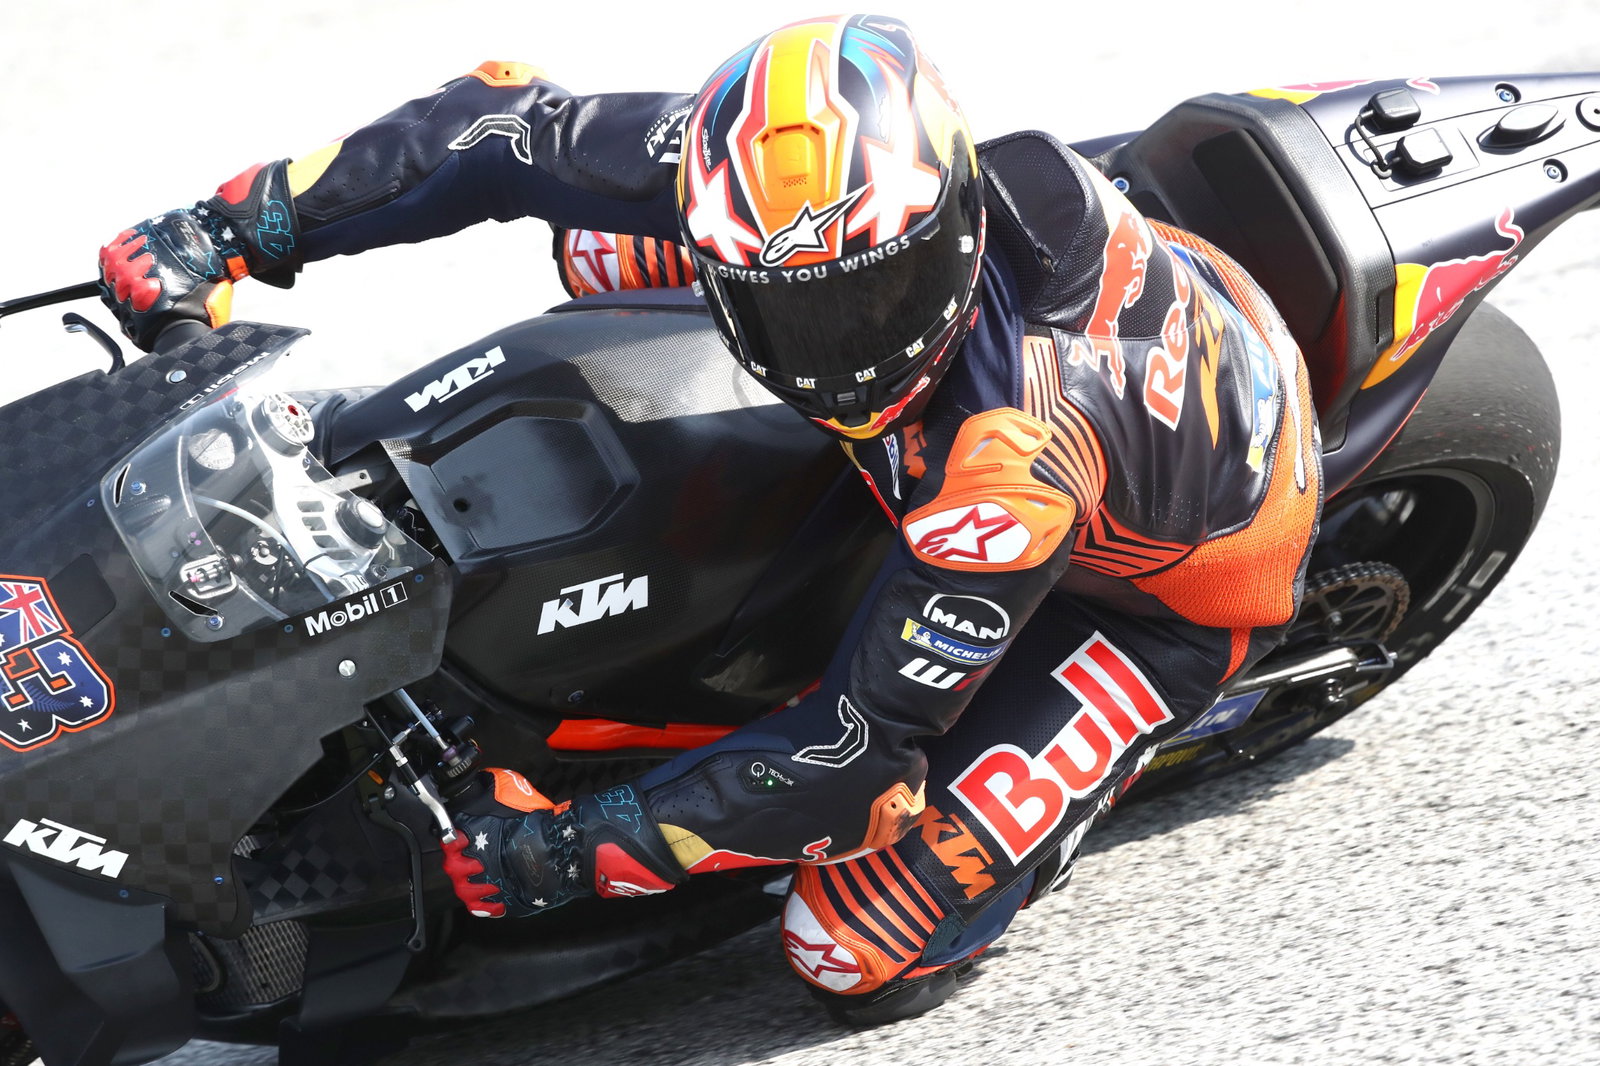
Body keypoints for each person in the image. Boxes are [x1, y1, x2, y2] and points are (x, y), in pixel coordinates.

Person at [97, 14, 1322, 1025]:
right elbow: (496, 126)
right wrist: (232, 227)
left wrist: (568, 850)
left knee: (851, 943)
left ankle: (1074, 795)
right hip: (1065, 381)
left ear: (945, 229)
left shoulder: (1004, 469)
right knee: (596, 240)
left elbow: (851, 761)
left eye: (867, 297)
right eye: (786, 305)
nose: (825, 349)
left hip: (1162, 592)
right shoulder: (760, 180)